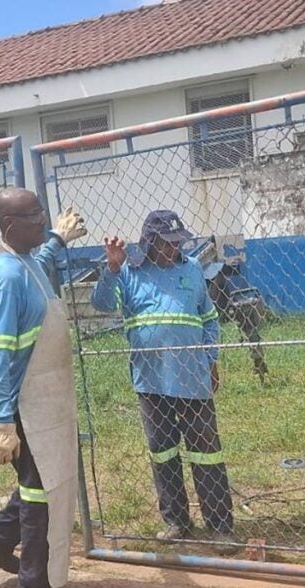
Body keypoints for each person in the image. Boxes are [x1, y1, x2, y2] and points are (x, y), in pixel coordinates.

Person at [91, 210, 236, 555]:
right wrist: (111, 269)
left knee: (206, 453)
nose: (174, 248)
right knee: (164, 450)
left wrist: (211, 360)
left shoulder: (192, 270)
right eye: (167, 242)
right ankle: (176, 521)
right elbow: (101, 304)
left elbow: (209, 318)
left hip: (192, 377)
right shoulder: (129, 272)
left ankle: (220, 525)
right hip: (151, 379)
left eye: (178, 242)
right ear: (150, 242)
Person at [0, 187, 88, 588]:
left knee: (44, 483)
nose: (44, 220)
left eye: (43, 213)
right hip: (28, 406)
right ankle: (33, 586)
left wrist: (57, 238)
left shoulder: (27, 262)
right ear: (10, 227)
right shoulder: (6, 277)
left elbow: (40, 261)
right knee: (40, 491)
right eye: (36, 217)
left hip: (48, 400)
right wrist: (2, 422)